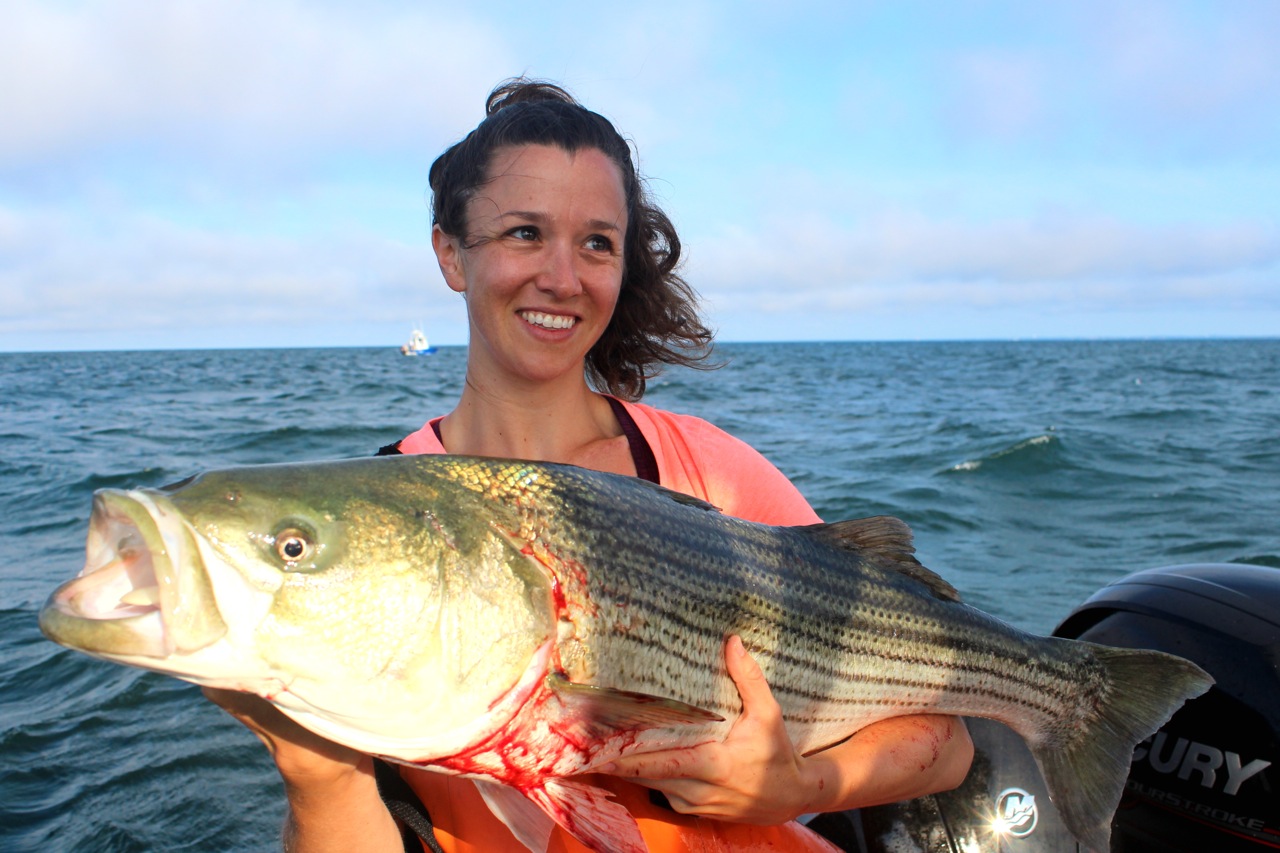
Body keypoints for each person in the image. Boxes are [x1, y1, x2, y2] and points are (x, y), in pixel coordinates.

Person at [206, 78, 973, 853]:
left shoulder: (705, 467)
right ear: (450, 251)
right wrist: (320, 776)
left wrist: (796, 786)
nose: (564, 278)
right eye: (524, 233)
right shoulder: (372, 528)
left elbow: (949, 740)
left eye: (597, 243)